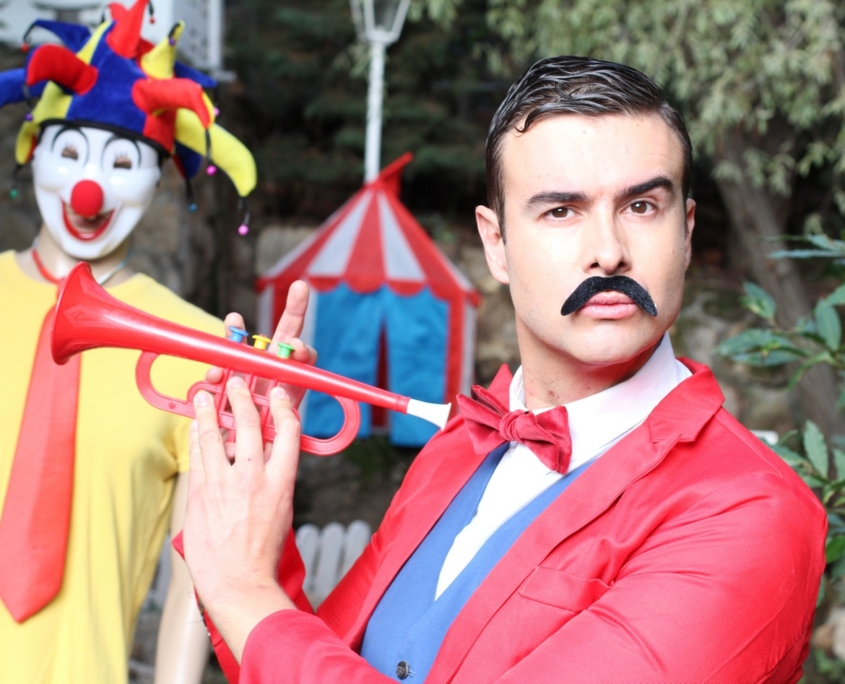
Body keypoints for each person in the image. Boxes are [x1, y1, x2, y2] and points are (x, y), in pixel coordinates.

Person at [182, 56, 828, 683]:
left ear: (685, 233)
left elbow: (266, 627)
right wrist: (246, 531)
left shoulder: (751, 513)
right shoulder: (459, 444)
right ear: (496, 244)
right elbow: (306, 658)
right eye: (560, 210)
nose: (608, 253)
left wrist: (244, 591)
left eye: (640, 207)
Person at [0, 3, 258, 682]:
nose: (90, 188)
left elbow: (194, 583)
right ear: (32, 152)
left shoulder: (201, 349)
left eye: (122, 161)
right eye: (70, 153)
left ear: (160, 175)